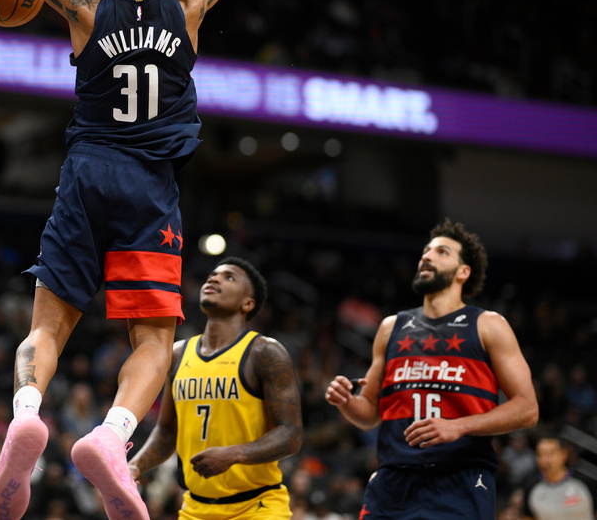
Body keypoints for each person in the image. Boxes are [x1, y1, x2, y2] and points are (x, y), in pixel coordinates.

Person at [0, 0, 228, 520]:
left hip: (88, 171)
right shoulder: (189, 2)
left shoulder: (87, 2)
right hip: (150, 185)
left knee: (48, 324)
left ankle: (28, 412)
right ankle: (112, 432)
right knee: (152, 341)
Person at [325, 218, 539, 519]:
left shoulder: (488, 325)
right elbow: (370, 413)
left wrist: (458, 425)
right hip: (392, 482)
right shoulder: (390, 328)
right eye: (425, 251)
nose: (426, 256)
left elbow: (527, 409)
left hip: (460, 481)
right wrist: (346, 402)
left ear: (463, 271)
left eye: (441, 252)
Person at [128, 257, 303, 519]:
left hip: (257, 507)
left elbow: (291, 435)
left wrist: (234, 454)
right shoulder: (177, 354)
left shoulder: (265, 352)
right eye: (212, 275)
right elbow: (166, 431)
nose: (214, 278)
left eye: (229, 277)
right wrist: (135, 466)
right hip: (195, 508)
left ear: (248, 303)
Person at [524, 436, 595, 520]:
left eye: (551, 453)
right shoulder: (531, 487)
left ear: (564, 454)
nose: (546, 460)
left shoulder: (585, 482)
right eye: (540, 454)